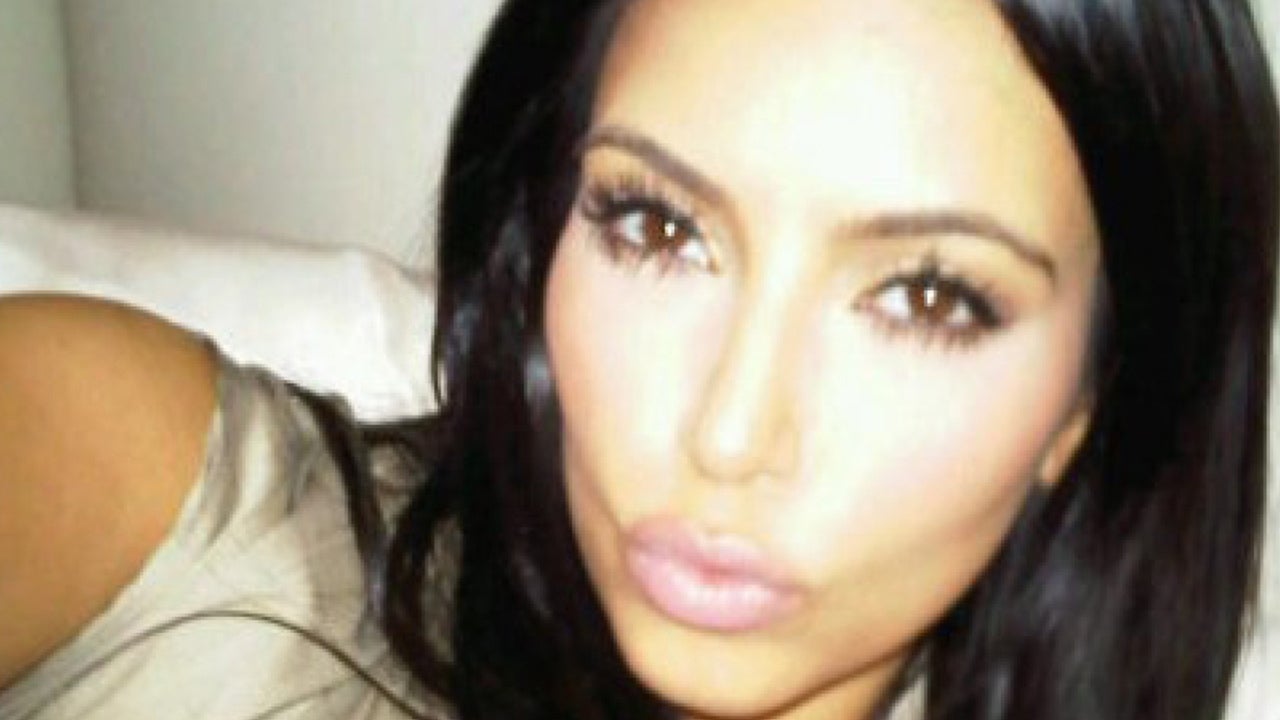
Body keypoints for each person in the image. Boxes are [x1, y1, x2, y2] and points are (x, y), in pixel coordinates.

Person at [0, 1, 1276, 719]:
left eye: (926, 298)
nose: (727, 432)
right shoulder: (162, 506)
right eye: (655, 226)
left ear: (1090, 400)